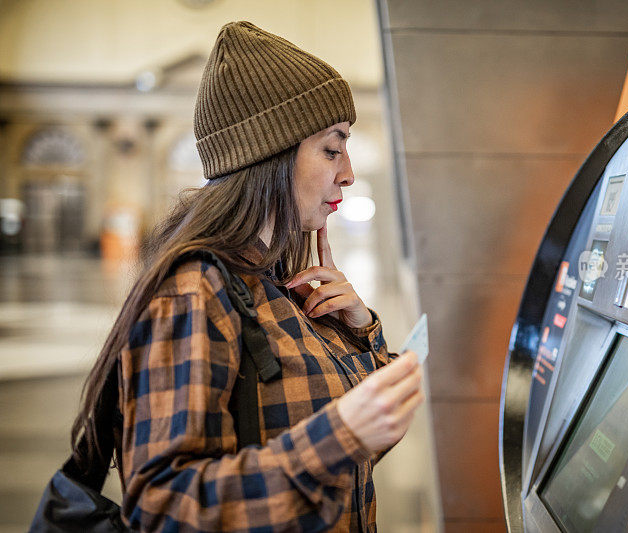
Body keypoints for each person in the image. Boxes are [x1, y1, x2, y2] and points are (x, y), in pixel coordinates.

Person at [70, 21, 424, 532]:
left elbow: (356, 449)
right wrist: (337, 436)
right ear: (271, 155)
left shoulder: (278, 278)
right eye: (331, 148)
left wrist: (360, 328)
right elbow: (162, 508)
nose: (347, 171)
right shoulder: (194, 290)